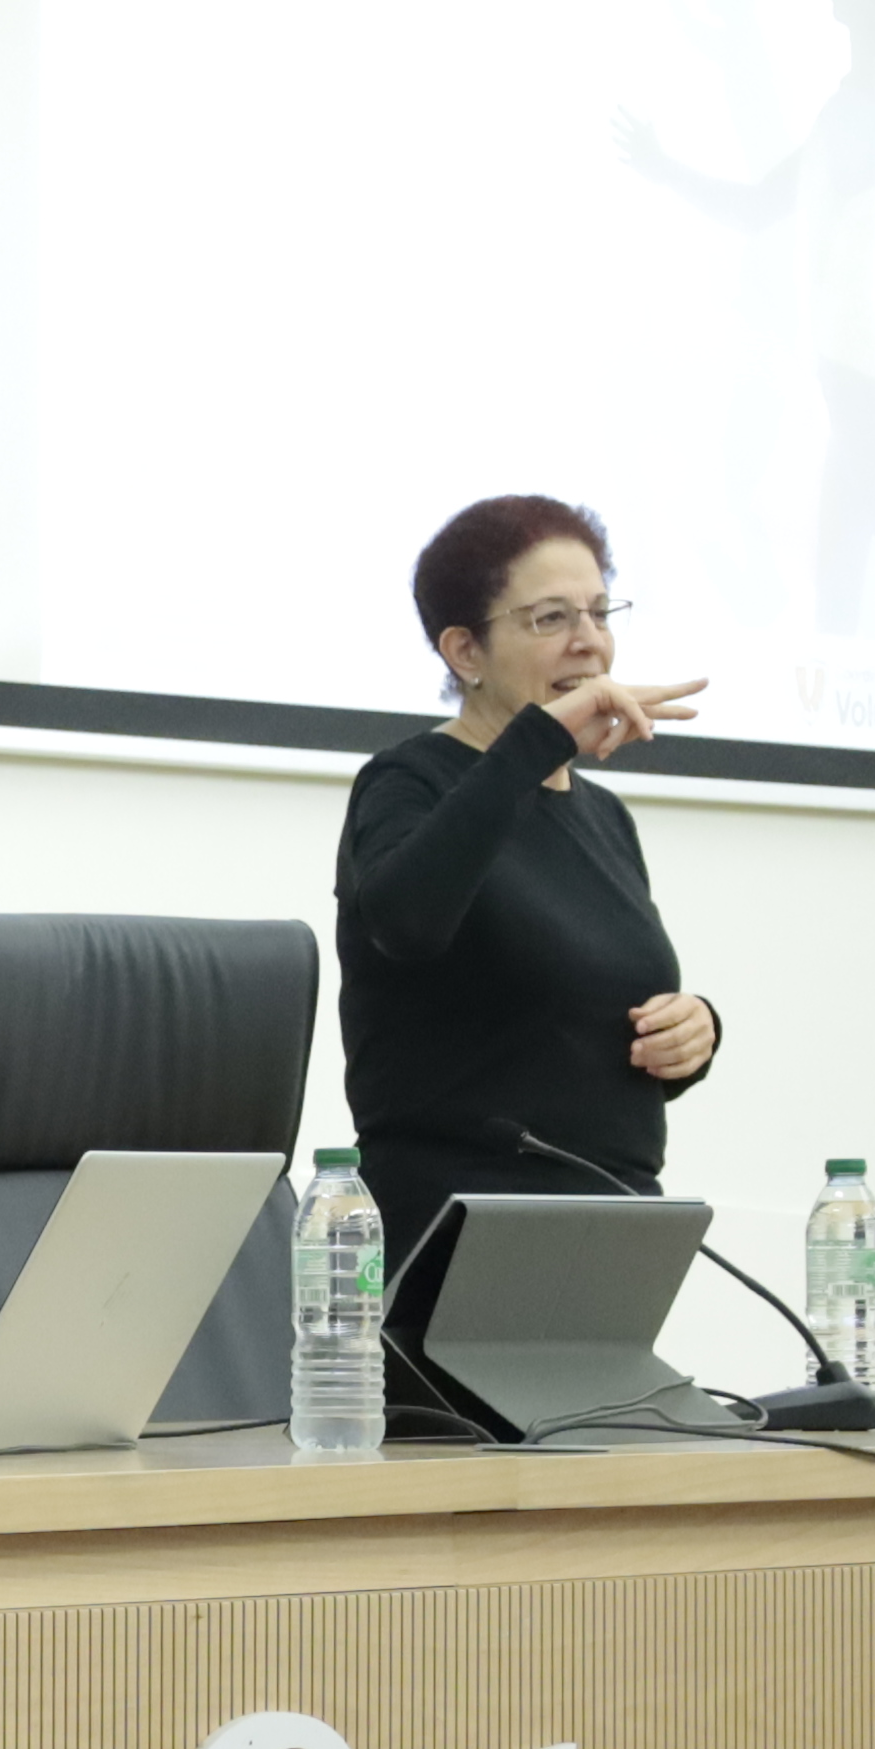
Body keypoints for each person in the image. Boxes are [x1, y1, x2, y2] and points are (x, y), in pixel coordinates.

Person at [336, 496, 724, 1260]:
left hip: (617, 1223)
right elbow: (406, 923)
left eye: (600, 613)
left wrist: (691, 1034)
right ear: (465, 652)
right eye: (552, 619)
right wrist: (536, 741)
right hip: (459, 1226)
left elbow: (575, 1021)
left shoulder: (604, 817)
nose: (590, 642)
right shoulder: (408, 782)